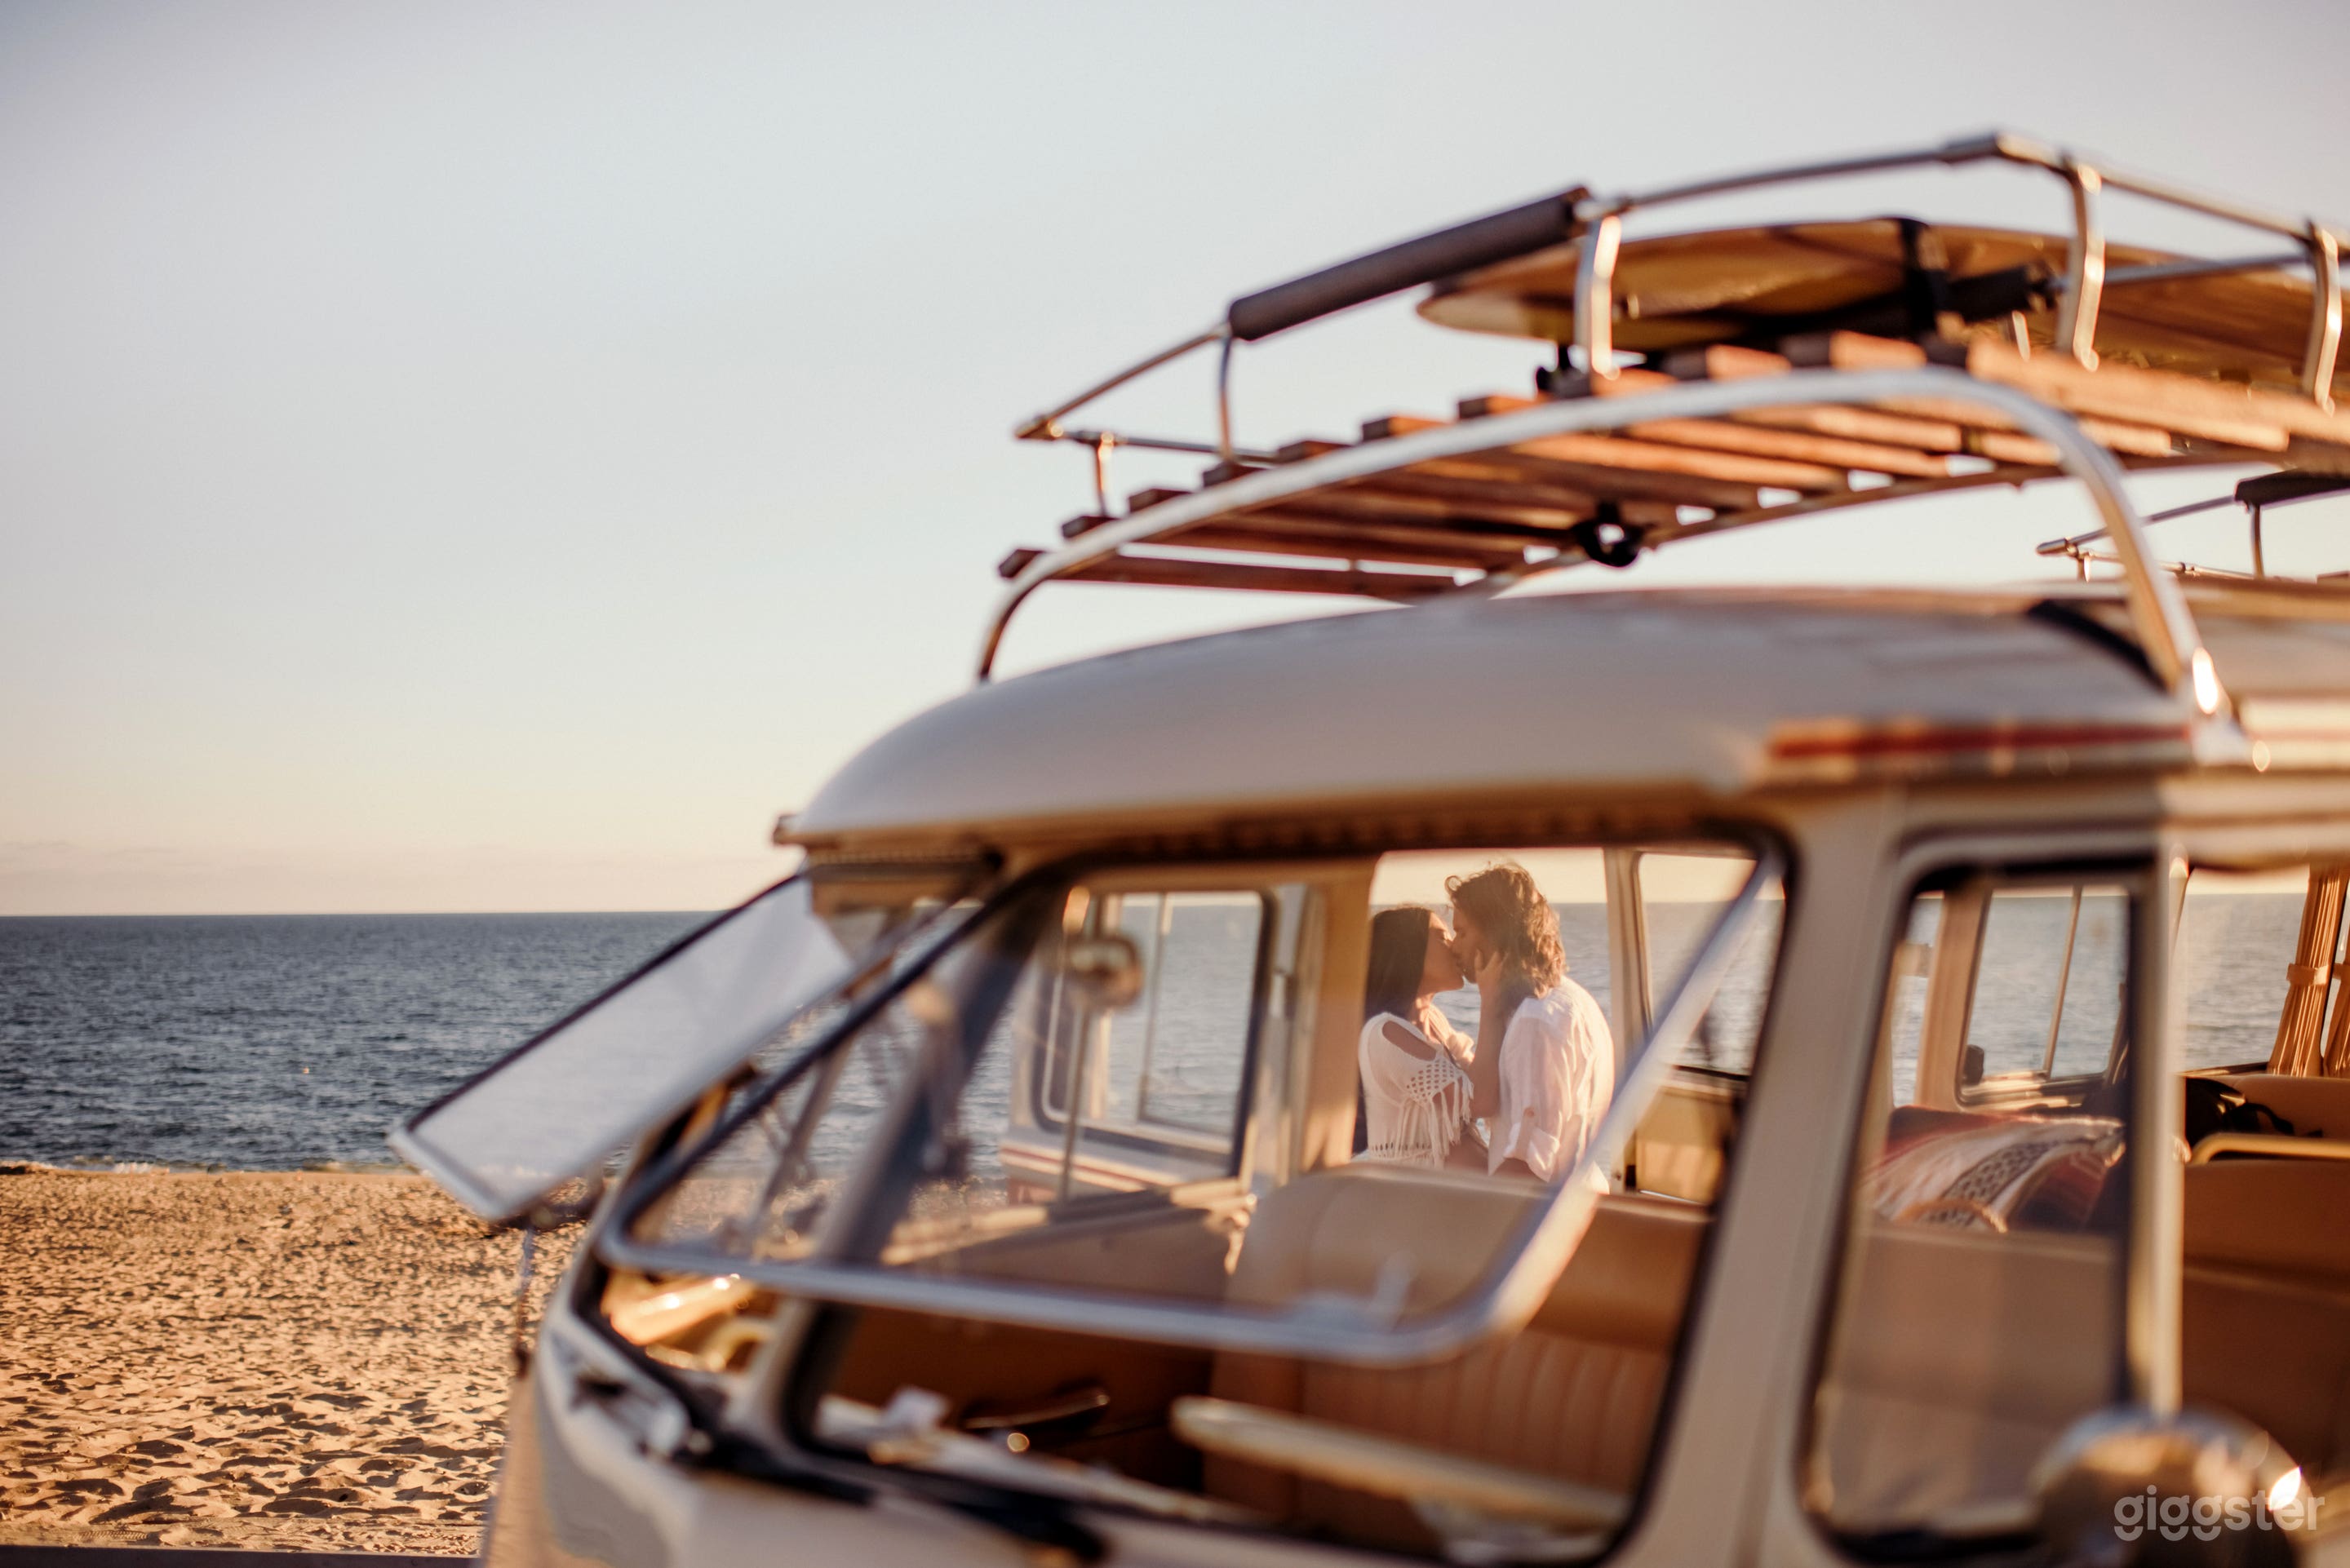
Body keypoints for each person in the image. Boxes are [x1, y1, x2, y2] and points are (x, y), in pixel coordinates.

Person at [1448, 863, 1614, 1185]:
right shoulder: (1572, 997)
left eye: (1462, 932)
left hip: (1544, 1221)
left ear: (1496, 933)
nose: (1454, 945)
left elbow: (1529, 1168)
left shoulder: (1534, 1023)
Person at [1355, 906, 1486, 1169]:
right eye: (1441, 936)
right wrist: (1492, 995)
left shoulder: (1434, 1022)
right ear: (1407, 951)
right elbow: (1480, 1101)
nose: (1453, 945)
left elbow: (1486, 1078)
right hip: (1421, 1201)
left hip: (1464, 1194)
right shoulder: (1384, 1034)